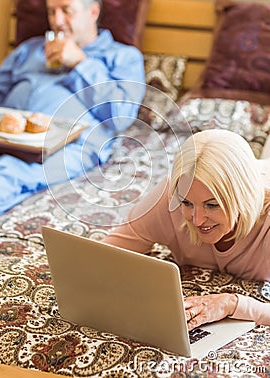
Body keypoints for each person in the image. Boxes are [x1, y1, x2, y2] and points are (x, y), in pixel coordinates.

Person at [0, 0, 145, 224]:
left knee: (11, 173)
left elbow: (121, 116)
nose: (57, 21)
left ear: (93, 11)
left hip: (67, 148)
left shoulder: (123, 57)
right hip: (1, 138)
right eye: (51, 12)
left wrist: (80, 63)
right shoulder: (29, 49)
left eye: (66, 10)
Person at [103, 129, 270, 328]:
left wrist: (231, 304)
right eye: (187, 203)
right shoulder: (170, 196)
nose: (197, 220)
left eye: (212, 205)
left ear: (242, 198)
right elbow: (103, 256)